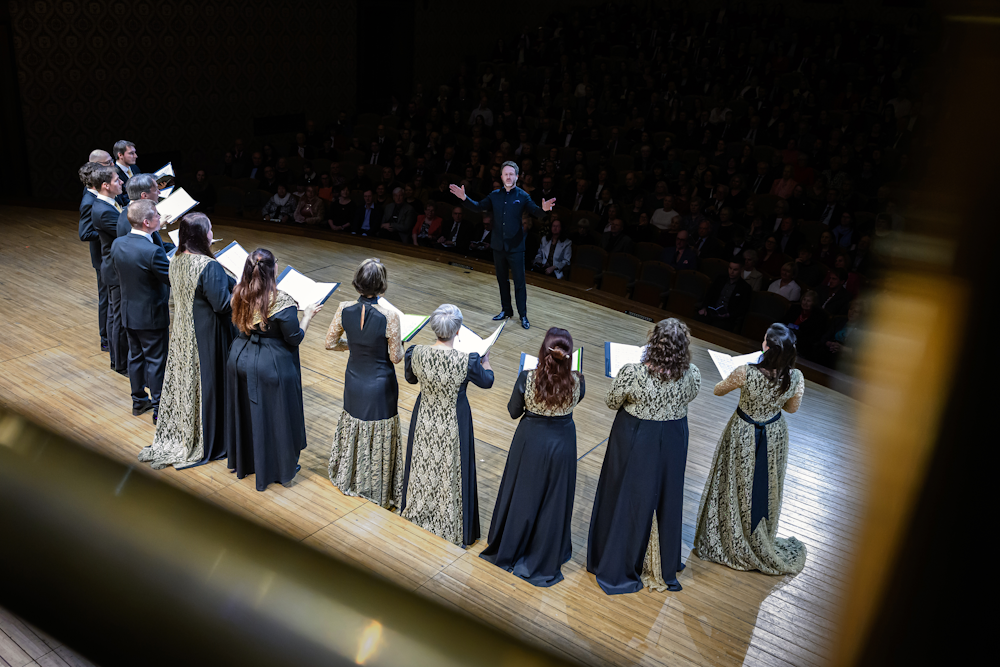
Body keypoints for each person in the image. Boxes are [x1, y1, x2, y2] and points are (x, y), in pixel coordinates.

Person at [587, 319, 701, 594]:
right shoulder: (692, 374)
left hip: (637, 438)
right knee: (666, 496)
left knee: (628, 495)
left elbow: (612, 401)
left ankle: (620, 558)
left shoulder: (633, 373)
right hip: (673, 439)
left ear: (653, 343)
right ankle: (660, 559)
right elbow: (691, 396)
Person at [693, 323, 807, 576]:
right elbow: (791, 409)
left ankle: (729, 537)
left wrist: (733, 375)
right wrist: (772, 400)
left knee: (735, 482)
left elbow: (718, 390)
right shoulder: (796, 377)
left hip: (743, 431)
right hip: (774, 434)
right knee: (763, 486)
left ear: (767, 347)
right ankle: (757, 536)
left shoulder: (745, 371)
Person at [481, 327, 585, 586]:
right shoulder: (578, 381)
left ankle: (512, 545)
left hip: (530, 442)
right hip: (562, 444)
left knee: (523, 495)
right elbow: (576, 402)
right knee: (553, 500)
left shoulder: (527, 377)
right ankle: (543, 552)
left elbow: (513, 411)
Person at [139, 213, 236, 468]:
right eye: (210, 229)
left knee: (188, 383)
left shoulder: (177, 259)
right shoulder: (208, 266)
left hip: (183, 331)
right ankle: (209, 438)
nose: (212, 234)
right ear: (202, 235)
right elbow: (222, 305)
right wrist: (243, 291)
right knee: (207, 384)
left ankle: (188, 430)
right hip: (206, 334)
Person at [225, 249, 323, 491]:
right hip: (269, 363)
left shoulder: (238, 291)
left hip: (239, 356)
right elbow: (294, 338)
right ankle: (279, 470)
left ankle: (249, 461)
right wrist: (307, 315)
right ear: (272, 270)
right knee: (278, 417)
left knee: (248, 413)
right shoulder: (282, 301)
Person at [400, 304, 494, 546]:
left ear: (434, 328)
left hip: (424, 418)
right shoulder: (467, 360)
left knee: (423, 463)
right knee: (451, 468)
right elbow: (487, 381)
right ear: (458, 331)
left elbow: (411, 379)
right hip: (454, 421)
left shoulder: (416, 352)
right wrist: (486, 361)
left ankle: (420, 508)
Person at [325, 259, 405, 508]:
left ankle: (352, 477)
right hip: (380, 385)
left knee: (355, 428)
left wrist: (355, 346)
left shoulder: (343, 308)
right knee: (380, 435)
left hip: (354, 379)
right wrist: (403, 344)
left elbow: (330, 343)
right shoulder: (390, 316)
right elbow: (396, 357)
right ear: (382, 285)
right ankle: (376, 486)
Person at [451, 161, 555, 329]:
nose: (508, 177)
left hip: (516, 247)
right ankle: (506, 310)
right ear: (501, 176)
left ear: (517, 176)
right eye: (505, 174)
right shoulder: (494, 195)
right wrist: (464, 198)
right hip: (498, 246)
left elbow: (536, 211)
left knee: (519, 283)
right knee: (502, 280)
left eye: (511, 174)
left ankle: (523, 315)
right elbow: (478, 207)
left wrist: (544, 209)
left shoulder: (523, 196)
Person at [105, 200, 171, 422]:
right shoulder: (152, 251)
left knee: (135, 357)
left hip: (128, 312)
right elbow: (171, 278)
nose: (160, 218)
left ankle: (138, 401)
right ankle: (159, 409)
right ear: (147, 222)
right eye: (157, 216)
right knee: (156, 361)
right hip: (151, 317)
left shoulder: (118, 243)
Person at [90, 164, 129, 374]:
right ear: (105, 185)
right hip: (114, 269)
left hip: (115, 266)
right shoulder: (103, 210)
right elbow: (125, 234)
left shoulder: (110, 203)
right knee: (118, 318)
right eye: (116, 180)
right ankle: (119, 363)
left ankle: (119, 360)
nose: (121, 182)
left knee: (117, 316)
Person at [78, 156, 111, 352]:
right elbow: (84, 234)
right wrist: (108, 231)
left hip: (107, 256)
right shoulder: (88, 201)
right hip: (101, 258)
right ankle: (105, 338)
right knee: (105, 298)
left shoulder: (95, 194)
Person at [697, 259, 753, 332]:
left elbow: (742, 308)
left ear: (741, 270)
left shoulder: (745, 287)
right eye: (730, 268)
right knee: (698, 319)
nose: (731, 272)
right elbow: (709, 294)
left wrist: (728, 315)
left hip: (727, 318)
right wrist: (704, 307)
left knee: (717, 328)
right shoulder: (720, 279)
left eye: (735, 270)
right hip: (711, 311)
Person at [113, 140, 140, 207]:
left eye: (135, 152)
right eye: (131, 153)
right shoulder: (114, 174)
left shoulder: (135, 167)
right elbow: (122, 199)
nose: (135, 156)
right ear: (120, 155)